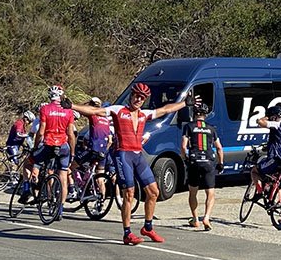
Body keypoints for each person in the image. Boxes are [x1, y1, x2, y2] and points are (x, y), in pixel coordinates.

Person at [71, 82, 195, 245]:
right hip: (123, 154)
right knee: (129, 193)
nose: (138, 100)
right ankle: (127, 233)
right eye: (136, 96)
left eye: (142, 98)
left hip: (137, 155)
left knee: (153, 192)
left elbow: (165, 110)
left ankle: (148, 228)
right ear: (131, 95)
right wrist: (72, 106)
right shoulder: (118, 110)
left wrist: (184, 103)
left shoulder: (144, 114)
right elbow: (95, 111)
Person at [27, 85, 76, 218]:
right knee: (63, 177)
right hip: (64, 145)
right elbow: (71, 134)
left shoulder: (45, 109)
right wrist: (72, 152)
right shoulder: (69, 111)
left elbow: (40, 132)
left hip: (49, 144)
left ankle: (32, 186)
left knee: (33, 161)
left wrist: (35, 147)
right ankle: (60, 208)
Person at [250, 103, 281, 224]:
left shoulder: (277, 125)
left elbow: (260, 122)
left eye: (271, 117)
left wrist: (266, 117)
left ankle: (259, 192)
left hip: (278, 160)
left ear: (274, 117)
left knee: (255, 171)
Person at [181, 103, 224, 231]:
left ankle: (195, 219)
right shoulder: (211, 128)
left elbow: (183, 146)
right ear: (206, 115)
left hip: (194, 161)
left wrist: (185, 158)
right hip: (208, 162)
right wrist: (221, 163)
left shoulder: (188, 126)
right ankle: (206, 217)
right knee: (210, 192)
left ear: (194, 114)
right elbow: (219, 148)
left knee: (193, 192)